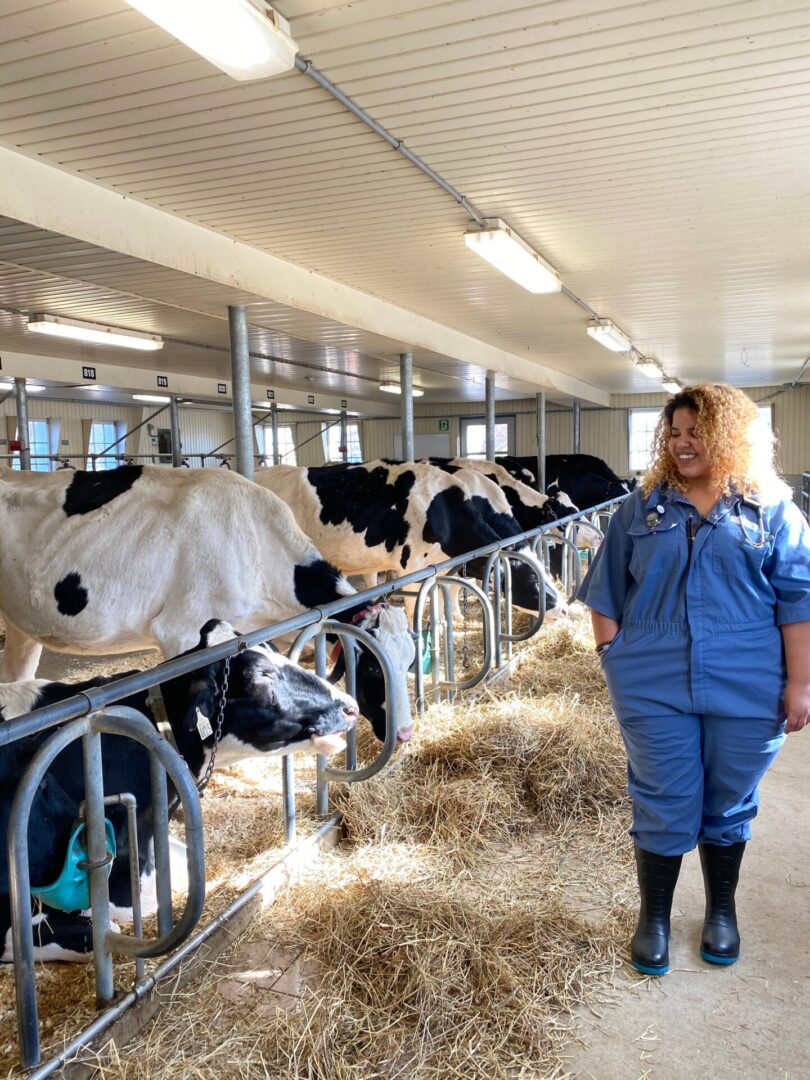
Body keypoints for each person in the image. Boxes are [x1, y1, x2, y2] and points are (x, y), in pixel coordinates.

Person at [578, 383, 810, 976]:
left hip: (751, 676)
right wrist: (612, 653)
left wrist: (800, 683)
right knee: (662, 795)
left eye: (696, 432)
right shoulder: (644, 505)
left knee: (729, 799)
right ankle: (653, 917)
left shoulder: (774, 509)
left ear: (731, 436)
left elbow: (798, 602)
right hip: (652, 677)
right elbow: (606, 587)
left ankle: (721, 912)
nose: (683, 444)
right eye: (675, 433)